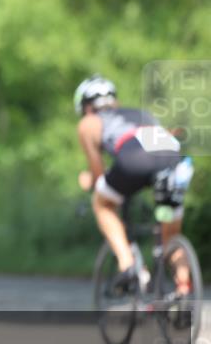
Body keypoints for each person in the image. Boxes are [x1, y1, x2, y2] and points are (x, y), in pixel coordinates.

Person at [74, 75, 192, 293]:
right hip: (173, 160)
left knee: (103, 204)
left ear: (86, 106)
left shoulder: (88, 122)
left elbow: (99, 174)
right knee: (170, 236)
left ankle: (128, 265)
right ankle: (183, 291)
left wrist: (90, 180)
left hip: (134, 161)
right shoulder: (141, 114)